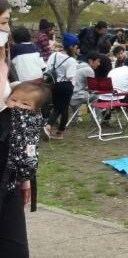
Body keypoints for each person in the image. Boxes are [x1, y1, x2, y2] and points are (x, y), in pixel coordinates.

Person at [1, 16, 45, 258]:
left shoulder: (6, 64)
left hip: (8, 175)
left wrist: (24, 178)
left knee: (14, 247)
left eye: (6, 21)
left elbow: (25, 141)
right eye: (1, 21)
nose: (5, 28)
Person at [45, 34, 79, 139]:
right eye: (76, 46)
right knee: (60, 108)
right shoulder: (71, 61)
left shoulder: (54, 55)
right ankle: (48, 126)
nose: (77, 48)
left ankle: (60, 132)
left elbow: (47, 69)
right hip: (66, 86)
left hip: (54, 84)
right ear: (71, 46)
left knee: (61, 108)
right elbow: (70, 76)